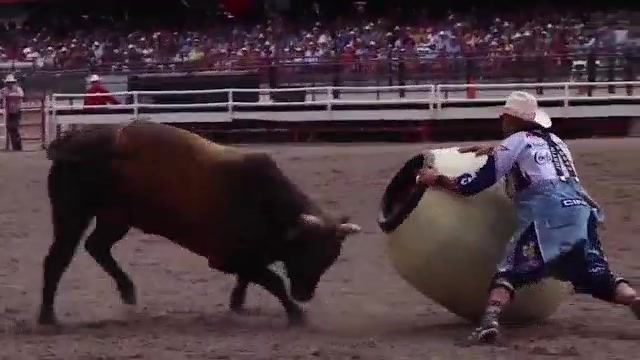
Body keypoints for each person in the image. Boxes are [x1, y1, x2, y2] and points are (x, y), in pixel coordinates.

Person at [415, 91, 640, 344]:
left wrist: (439, 179)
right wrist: (495, 150)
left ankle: (490, 320)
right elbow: (539, 161)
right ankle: (633, 299)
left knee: (510, 270)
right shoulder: (557, 142)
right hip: (580, 209)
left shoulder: (516, 140)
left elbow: (476, 183)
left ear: (512, 119)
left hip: (547, 210)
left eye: (505, 118)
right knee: (597, 272)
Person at [0, 74, 24, 151]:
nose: (10, 84)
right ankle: (16, 146)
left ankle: (17, 145)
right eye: (8, 82)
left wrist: (9, 96)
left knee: (13, 127)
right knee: (10, 128)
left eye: (11, 82)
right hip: (9, 112)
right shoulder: (4, 90)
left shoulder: (18, 89)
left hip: (16, 111)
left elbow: (21, 95)